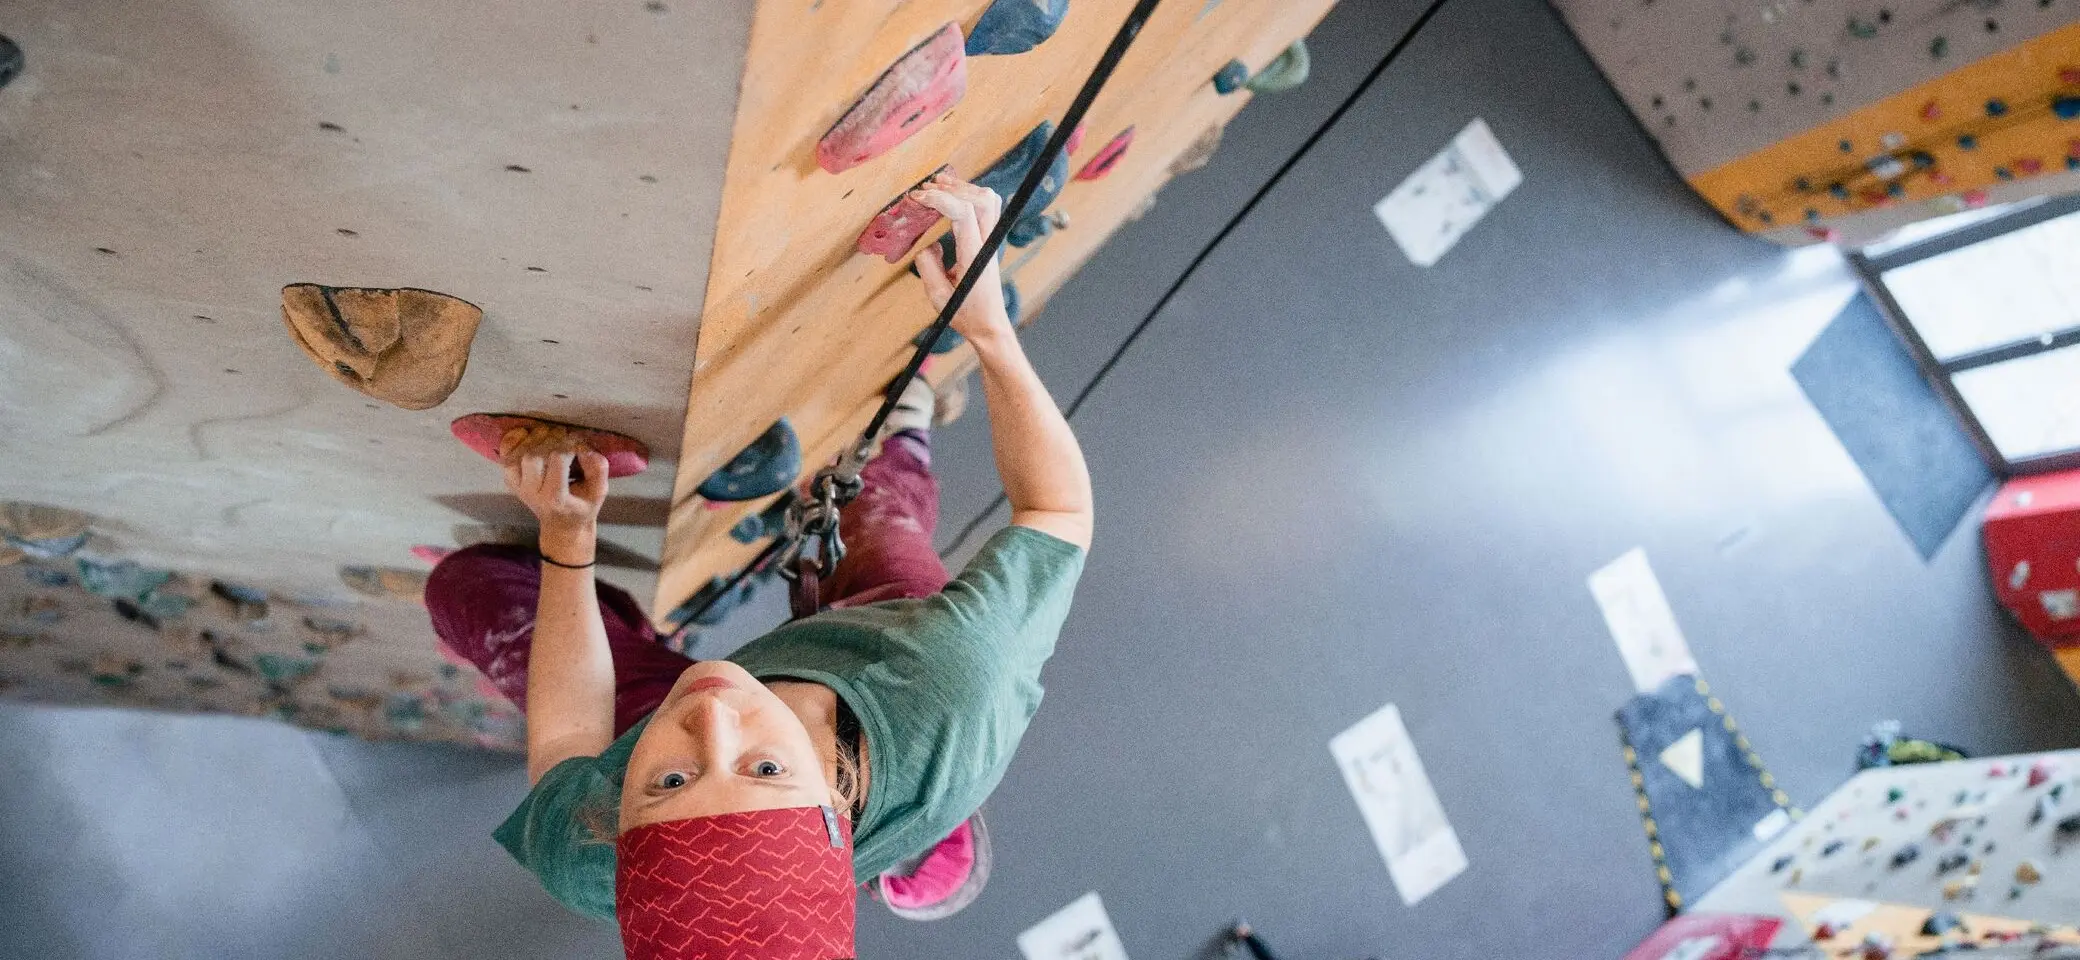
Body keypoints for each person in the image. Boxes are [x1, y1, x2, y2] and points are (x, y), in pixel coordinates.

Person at [423, 173, 1093, 952]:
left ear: (618, 827)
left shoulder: (588, 856)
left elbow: (572, 731)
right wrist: (989, 332)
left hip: (665, 753)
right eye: (767, 771)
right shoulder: (951, 691)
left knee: (465, 590)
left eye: (671, 781)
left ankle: (642, 670)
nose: (710, 714)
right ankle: (900, 449)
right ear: (837, 802)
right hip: (887, 655)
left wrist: (567, 546)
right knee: (872, 516)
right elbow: (1057, 512)